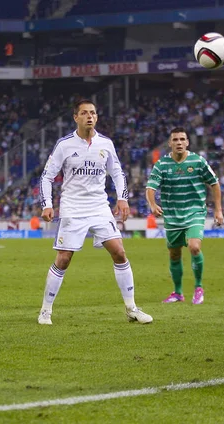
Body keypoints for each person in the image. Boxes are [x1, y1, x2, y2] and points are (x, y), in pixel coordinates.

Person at [37, 99, 152, 325]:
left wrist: (122, 198)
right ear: (76, 118)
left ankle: (131, 308)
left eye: (93, 113)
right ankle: (45, 311)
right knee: (64, 258)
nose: (89, 116)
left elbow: (117, 173)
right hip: (72, 206)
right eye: (84, 113)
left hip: (99, 206)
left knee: (119, 252)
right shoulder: (64, 144)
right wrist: (47, 204)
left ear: (97, 117)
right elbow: (47, 177)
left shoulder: (106, 144)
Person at [146, 127, 223, 305]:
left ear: (187, 142)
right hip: (172, 214)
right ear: (170, 143)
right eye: (175, 140)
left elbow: (215, 184)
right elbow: (150, 187)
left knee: (194, 247)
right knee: (174, 254)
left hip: (194, 211)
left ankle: (198, 287)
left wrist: (218, 210)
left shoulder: (198, 161)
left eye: (182, 139)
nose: (179, 143)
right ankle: (178, 292)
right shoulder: (162, 164)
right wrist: (152, 203)